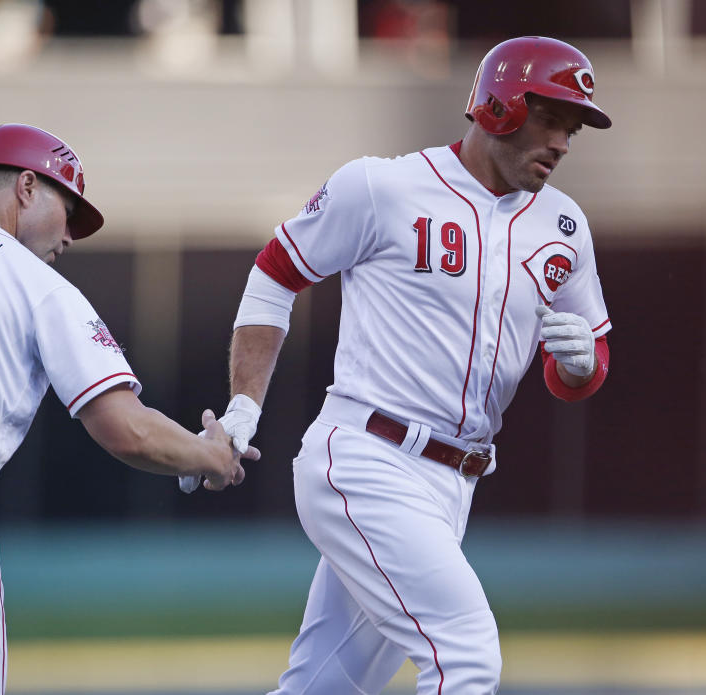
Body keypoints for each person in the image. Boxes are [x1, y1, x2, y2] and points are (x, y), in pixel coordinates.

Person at [184, 36, 613, 693]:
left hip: (453, 482)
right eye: (552, 118)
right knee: (464, 656)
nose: (562, 141)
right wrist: (245, 406)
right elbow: (276, 273)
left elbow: (584, 367)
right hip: (366, 454)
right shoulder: (384, 186)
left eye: (573, 127)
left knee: (324, 685)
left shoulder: (564, 225)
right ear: (499, 105)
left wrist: (582, 367)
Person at [0, 123, 257, 694]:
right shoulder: (34, 280)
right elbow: (126, 429)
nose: (71, 236)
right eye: (69, 209)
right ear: (28, 187)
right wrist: (208, 456)